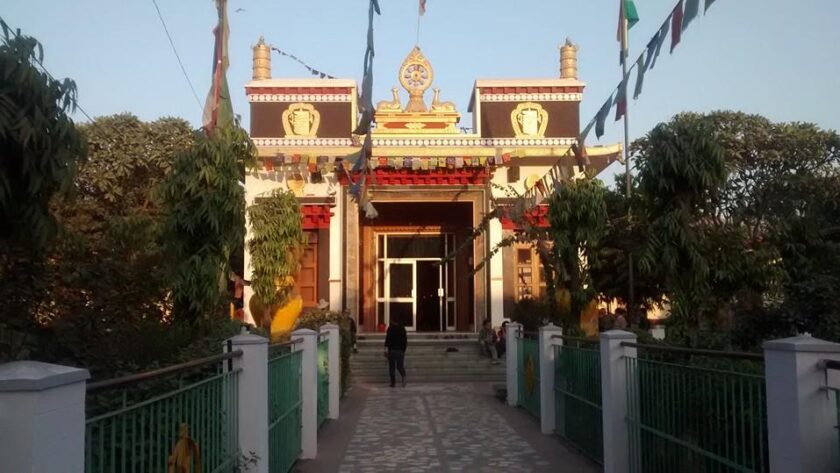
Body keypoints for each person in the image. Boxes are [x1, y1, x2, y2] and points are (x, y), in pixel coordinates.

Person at [384, 320, 407, 387]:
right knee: (400, 366)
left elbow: (387, 339)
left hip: (392, 351)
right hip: (400, 351)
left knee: (392, 367)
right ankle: (404, 376)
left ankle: (393, 383)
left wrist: (385, 350)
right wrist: (403, 350)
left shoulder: (390, 328)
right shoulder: (402, 328)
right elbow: (405, 340)